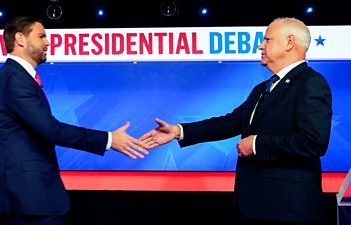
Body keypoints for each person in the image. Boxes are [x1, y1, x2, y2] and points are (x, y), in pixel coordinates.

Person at [140, 17, 332, 225]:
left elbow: (314, 142)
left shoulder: (311, 83)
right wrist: (178, 131)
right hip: (253, 205)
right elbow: (231, 122)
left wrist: (257, 144)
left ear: (289, 42)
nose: (260, 45)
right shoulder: (262, 88)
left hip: (287, 209)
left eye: (267, 39)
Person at [0, 16, 149, 225]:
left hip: (30, 197)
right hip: (28, 198)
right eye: (41, 36)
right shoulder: (15, 80)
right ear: (20, 39)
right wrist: (108, 139)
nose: (48, 42)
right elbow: (51, 130)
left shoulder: (17, 77)